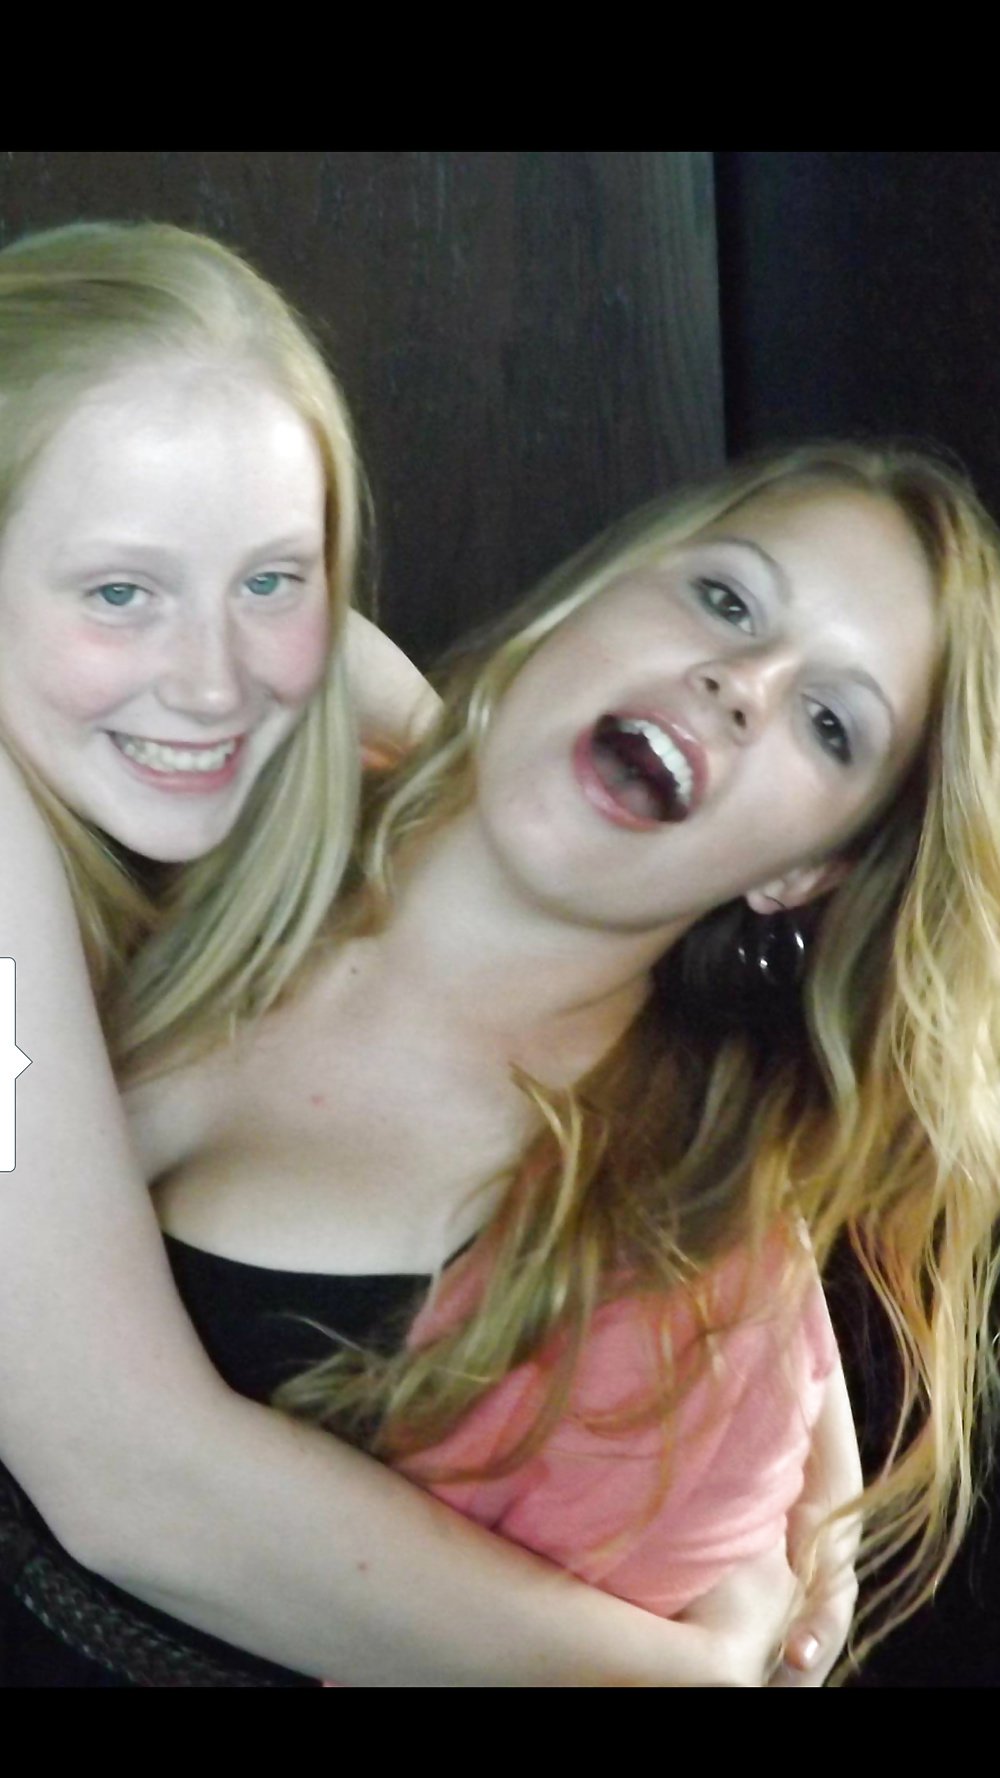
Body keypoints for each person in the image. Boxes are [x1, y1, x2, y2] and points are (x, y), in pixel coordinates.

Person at [0, 218, 831, 1689]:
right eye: (119, 592)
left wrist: (794, 1445)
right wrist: (685, 1673)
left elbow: (562, 905)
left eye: (274, 576)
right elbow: (124, 1475)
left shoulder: (308, 676)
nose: (213, 681)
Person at [124, 438, 1000, 1683]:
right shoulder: (226, 731)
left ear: (807, 870)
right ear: (601, 589)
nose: (742, 681)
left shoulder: (670, 1303)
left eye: (828, 724)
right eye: (727, 597)